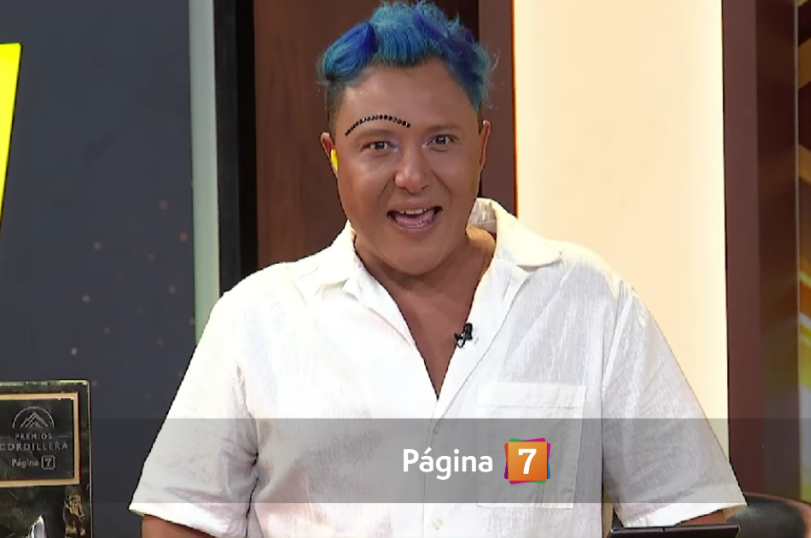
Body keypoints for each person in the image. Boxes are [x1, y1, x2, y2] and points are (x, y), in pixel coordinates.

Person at [129, 2, 746, 537]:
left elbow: (688, 514)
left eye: (441, 141)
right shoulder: (256, 321)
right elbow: (179, 520)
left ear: (482, 146)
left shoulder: (590, 302)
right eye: (379, 145)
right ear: (334, 156)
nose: (413, 176)